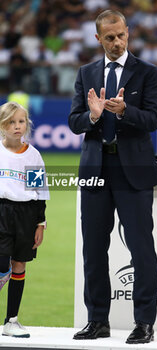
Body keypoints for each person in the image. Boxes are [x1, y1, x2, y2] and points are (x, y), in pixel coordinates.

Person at [68, 9, 157, 344]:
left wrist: (125, 112)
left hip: (133, 173)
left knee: (141, 248)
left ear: (128, 33)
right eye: (109, 37)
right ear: (98, 39)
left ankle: (145, 323)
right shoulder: (86, 72)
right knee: (93, 250)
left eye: (121, 35)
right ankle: (97, 321)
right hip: (96, 170)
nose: (117, 42)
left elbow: (153, 120)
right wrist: (92, 117)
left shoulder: (147, 72)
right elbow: (73, 121)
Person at [0, 101, 49, 338]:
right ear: (2, 125)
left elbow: (39, 193)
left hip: (26, 216)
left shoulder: (33, 155)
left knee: (19, 264)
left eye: (21, 122)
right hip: (1, 212)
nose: (17, 126)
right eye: (11, 122)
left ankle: (11, 320)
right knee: (2, 263)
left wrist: (40, 223)